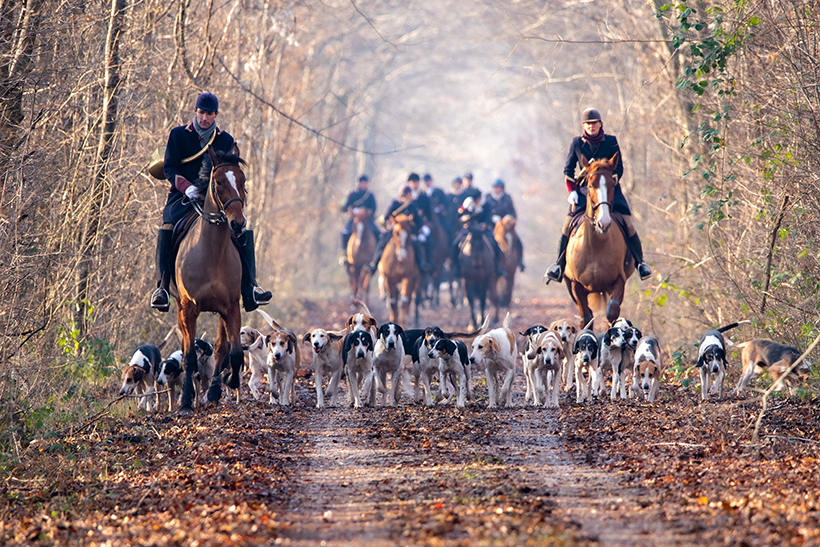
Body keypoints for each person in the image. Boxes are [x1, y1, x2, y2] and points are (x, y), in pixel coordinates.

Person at [151, 92, 272, 313]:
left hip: (217, 198)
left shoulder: (225, 140)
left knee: (240, 228)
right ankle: (163, 288)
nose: (204, 118)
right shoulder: (178, 135)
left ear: (216, 114)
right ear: (195, 111)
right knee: (168, 226)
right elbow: (169, 167)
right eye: (201, 112)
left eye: (209, 114)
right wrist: (187, 187)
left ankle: (250, 287)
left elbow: (229, 171)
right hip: (182, 197)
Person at [544, 108, 652, 283]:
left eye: (594, 124)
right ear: (583, 126)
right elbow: (568, 169)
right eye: (588, 124)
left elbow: (618, 168)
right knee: (566, 227)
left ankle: (640, 264)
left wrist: (611, 180)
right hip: (585, 192)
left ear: (600, 124)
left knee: (629, 225)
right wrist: (572, 191)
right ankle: (559, 265)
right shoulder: (576, 143)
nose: (591, 127)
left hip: (610, 191)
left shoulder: (611, 141)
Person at [365, 185, 432, 274]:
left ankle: (421, 264)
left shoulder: (412, 206)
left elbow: (419, 222)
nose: (411, 196)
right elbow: (386, 217)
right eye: (409, 194)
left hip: (408, 231)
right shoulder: (395, 204)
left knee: (416, 242)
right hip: (395, 230)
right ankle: (374, 263)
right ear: (405, 195)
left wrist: (419, 228)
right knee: (383, 239)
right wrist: (390, 223)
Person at [451, 195, 505, 278]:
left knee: (495, 243)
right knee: (455, 244)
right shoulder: (467, 204)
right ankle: (456, 268)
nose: (475, 202)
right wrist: (465, 219)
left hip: (484, 230)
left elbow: (488, 218)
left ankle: (497, 267)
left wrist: (484, 224)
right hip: (469, 229)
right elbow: (459, 215)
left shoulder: (486, 205)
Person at [485, 179, 525, 272]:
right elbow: (485, 212)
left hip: (506, 228)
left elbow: (513, 213)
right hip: (492, 227)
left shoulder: (507, 198)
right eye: (495, 187)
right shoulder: (488, 197)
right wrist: (492, 218)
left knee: (518, 242)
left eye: (498, 188)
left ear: (502, 189)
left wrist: (508, 217)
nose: (497, 189)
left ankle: (520, 262)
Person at [340, 174, 379, 265]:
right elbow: (346, 207)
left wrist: (367, 212)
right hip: (355, 219)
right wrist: (353, 210)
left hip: (367, 219)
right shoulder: (353, 195)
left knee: (378, 233)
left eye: (366, 183)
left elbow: (373, 208)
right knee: (345, 232)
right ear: (359, 183)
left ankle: (376, 256)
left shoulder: (370, 195)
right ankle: (345, 254)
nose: (364, 185)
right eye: (363, 183)